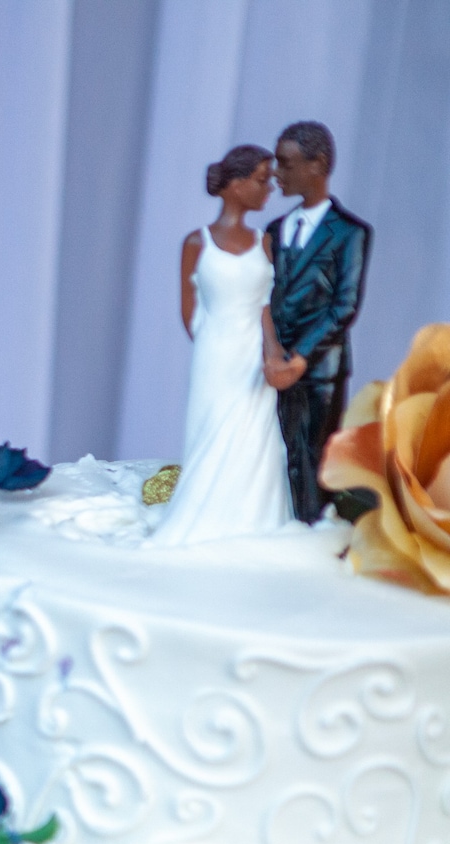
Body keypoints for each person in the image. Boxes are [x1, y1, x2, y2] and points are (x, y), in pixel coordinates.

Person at [150, 144, 294, 549]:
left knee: (254, 436)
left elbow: (266, 306)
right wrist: (213, 343)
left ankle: (251, 518)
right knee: (210, 430)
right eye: (262, 180)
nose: (269, 190)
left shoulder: (264, 243)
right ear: (235, 184)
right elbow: (189, 310)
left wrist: (270, 351)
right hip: (214, 357)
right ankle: (202, 512)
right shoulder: (197, 243)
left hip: (253, 359)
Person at [264, 120, 372, 524]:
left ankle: (310, 538)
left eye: (287, 164)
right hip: (274, 368)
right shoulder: (276, 231)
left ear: (318, 164)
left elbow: (343, 306)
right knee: (273, 454)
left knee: (312, 462)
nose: (277, 173)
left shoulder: (349, 233)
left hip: (318, 371)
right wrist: (272, 352)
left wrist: (301, 357)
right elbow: (267, 299)